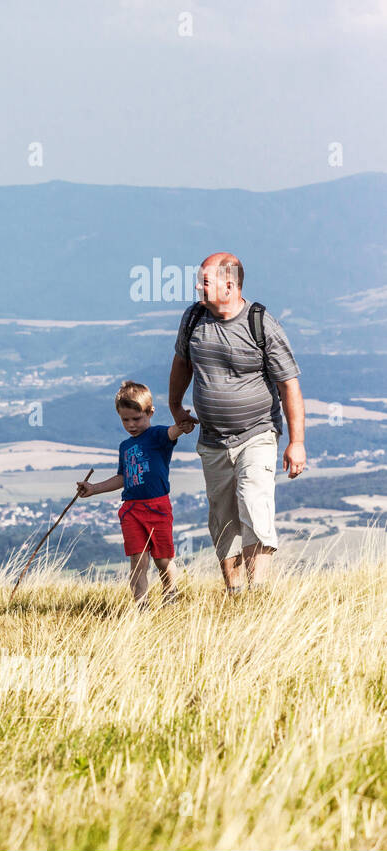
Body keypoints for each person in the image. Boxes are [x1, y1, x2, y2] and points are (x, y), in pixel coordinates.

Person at [168, 252, 305, 594]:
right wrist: (175, 406)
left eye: (205, 280)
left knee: (254, 505)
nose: (198, 286)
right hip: (213, 439)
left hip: (257, 433)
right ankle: (235, 593)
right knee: (223, 519)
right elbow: (182, 363)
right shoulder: (193, 319)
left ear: (229, 285)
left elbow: (289, 385)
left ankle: (257, 594)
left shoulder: (261, 324)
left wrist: (296, 441)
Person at [77, 381, 195, 606]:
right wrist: (94, 489)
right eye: (125, 420)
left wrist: (183, 424)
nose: (131, 425)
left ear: (150, 412)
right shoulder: (125, 447)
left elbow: (174, 431)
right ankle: (141, 608)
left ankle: (171, 597)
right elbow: (123, 477)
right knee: (137, 560)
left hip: (158, 507)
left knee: (162, 560)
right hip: (131, 509)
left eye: (136, 418)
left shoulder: (158, 436)